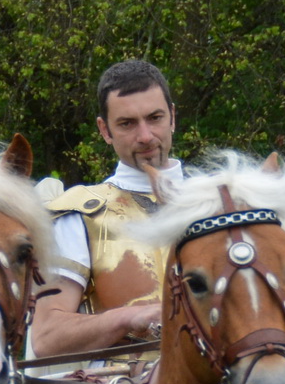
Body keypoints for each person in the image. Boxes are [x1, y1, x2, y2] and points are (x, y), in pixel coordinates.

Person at [30, 59, 185, 360]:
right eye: (127, 123)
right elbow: (47, 336)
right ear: (104, 130)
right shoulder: (80, 214)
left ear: (173, 117)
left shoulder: (226, 203)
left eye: (155, 118)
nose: (145, 136)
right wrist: (128, 318)